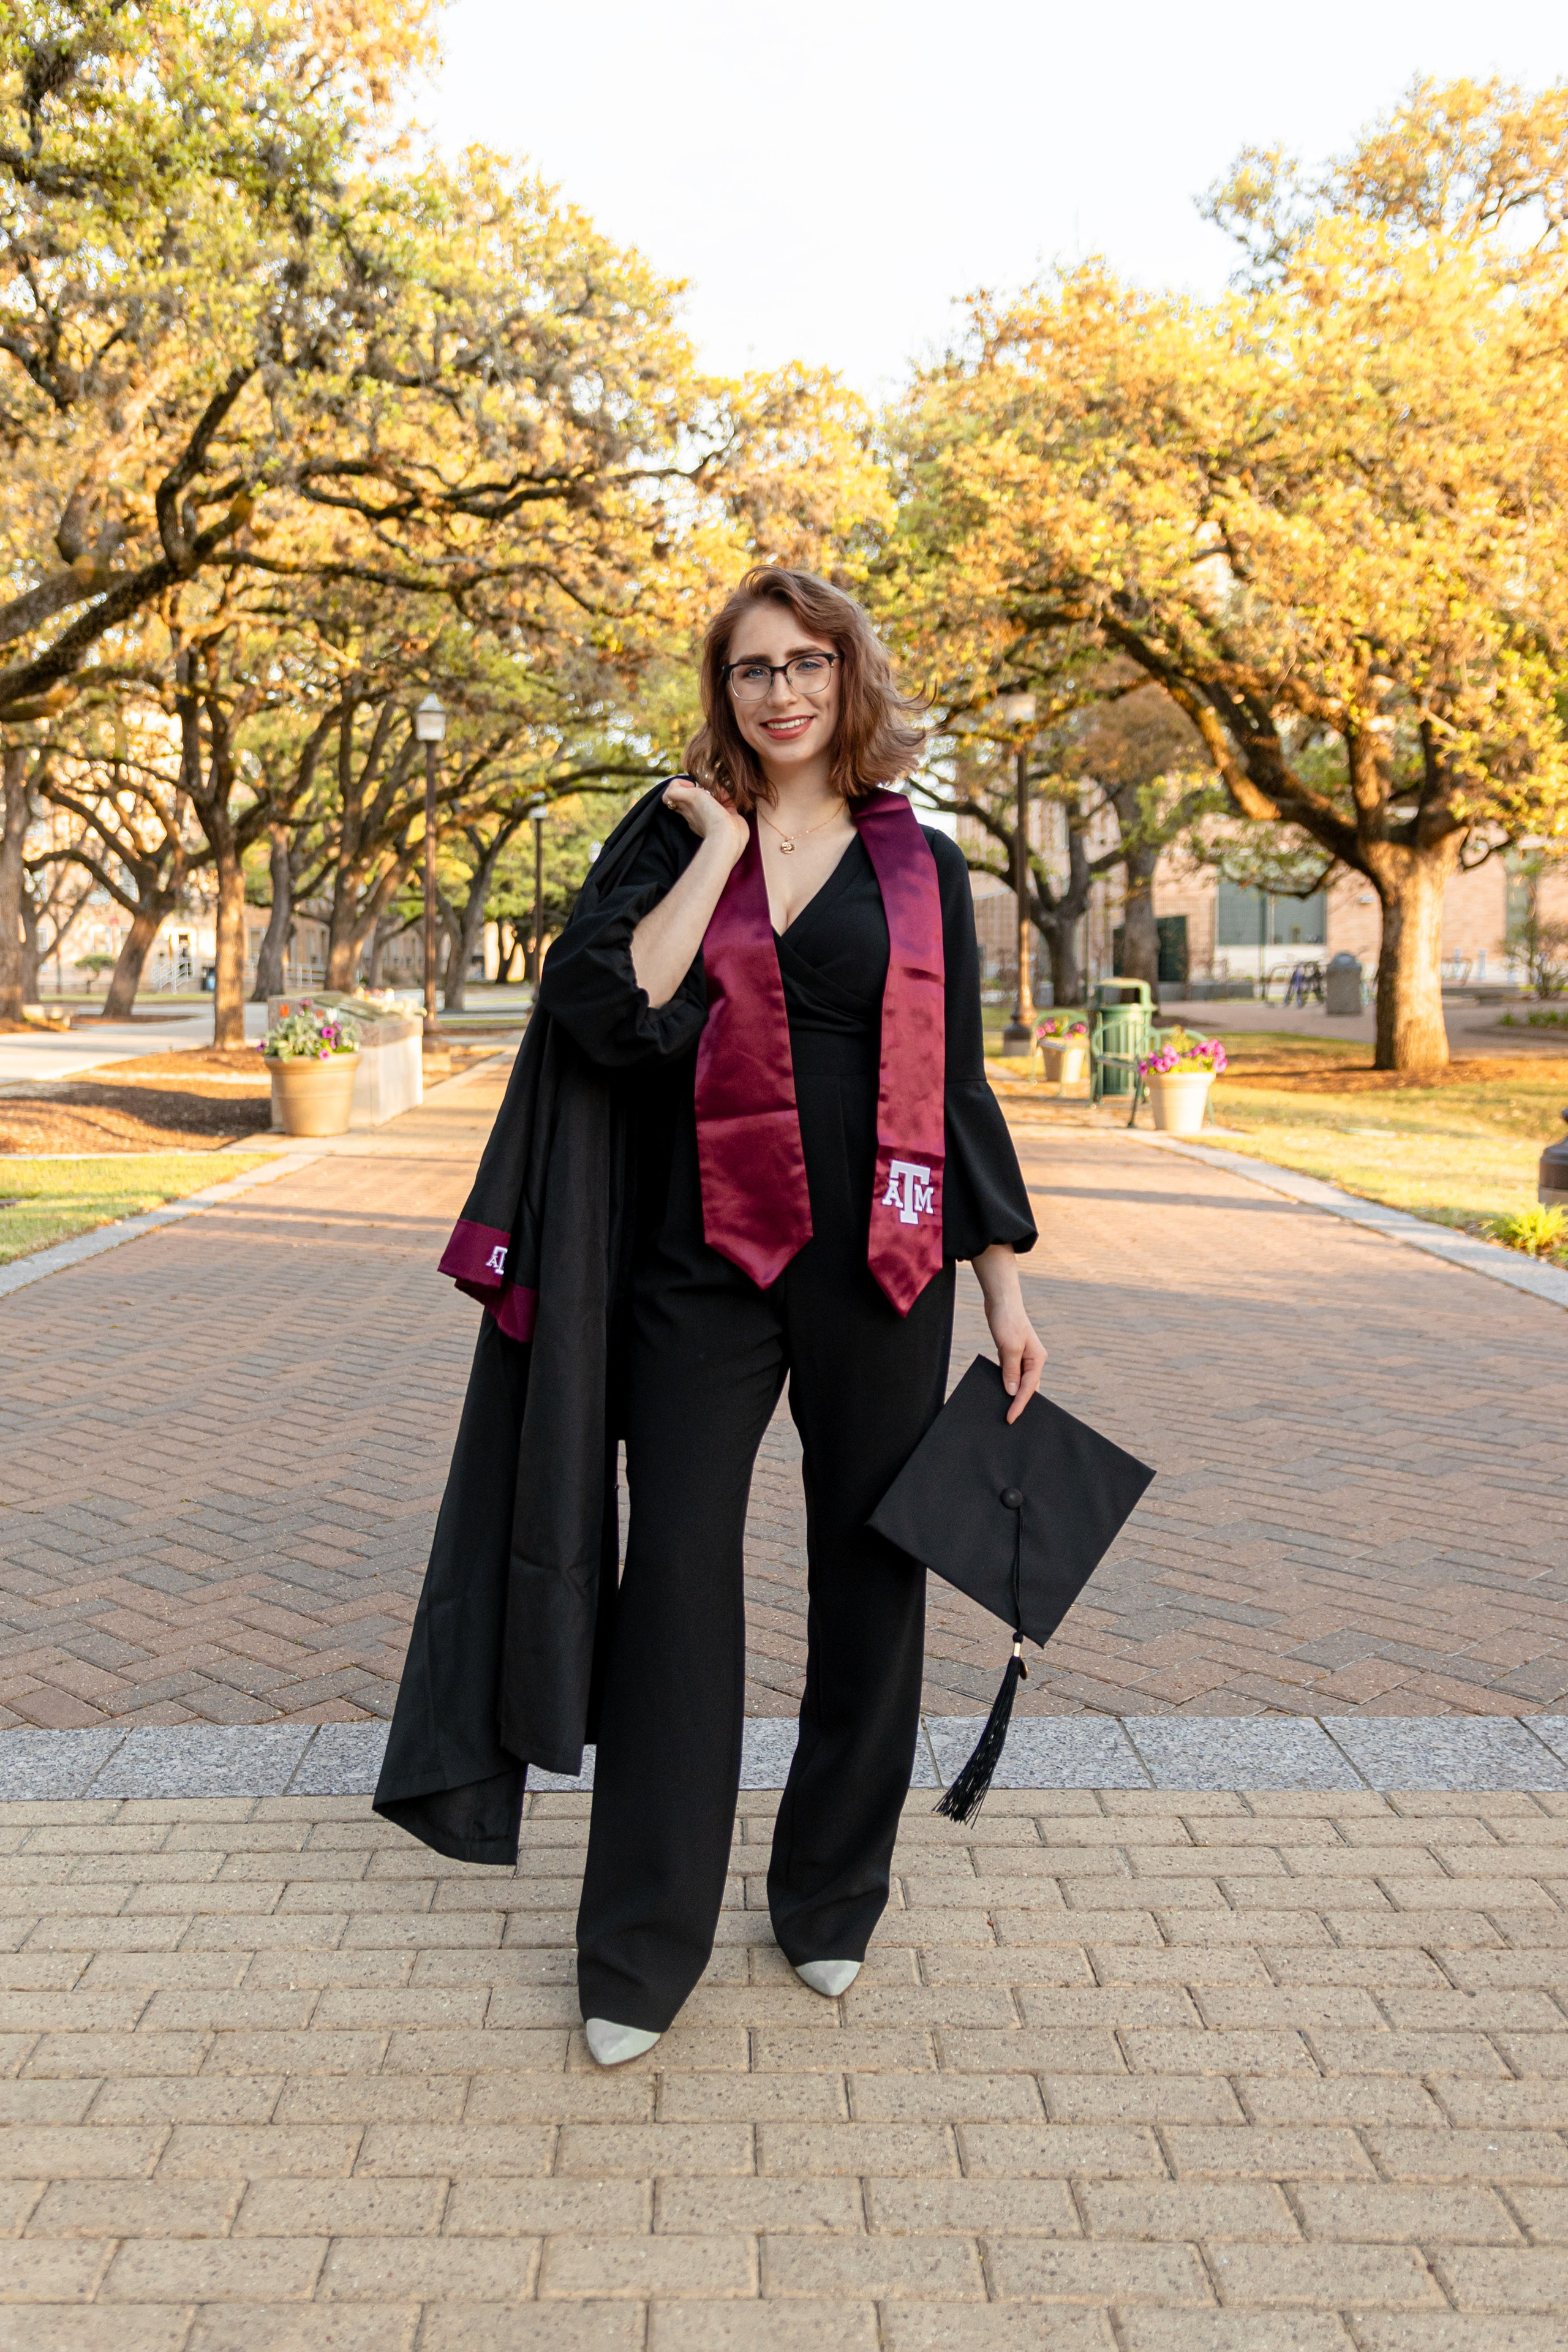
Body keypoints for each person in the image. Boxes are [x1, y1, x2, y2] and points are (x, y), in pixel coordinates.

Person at [373, 567, 1043, 2066]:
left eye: (808, 664)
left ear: (848, 677)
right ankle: (640, 1943)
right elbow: (606, 1010)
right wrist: (719, 849)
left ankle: (828, 1897)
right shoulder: (668, 838)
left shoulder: (922, 864)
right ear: (721, 690)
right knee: (673, 1567)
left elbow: (962, 1084)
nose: (782, 691)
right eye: (752, 669)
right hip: (704, 1258)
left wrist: (1002, 1288)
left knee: (873, 1569)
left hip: (883, 1258)